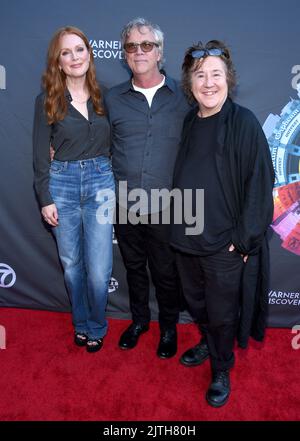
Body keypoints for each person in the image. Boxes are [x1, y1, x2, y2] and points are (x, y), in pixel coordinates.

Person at [171, 40, 274, 406]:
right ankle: (208, 341)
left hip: (224, 245)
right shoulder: (188, 121)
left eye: (216, 74)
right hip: (185, 239)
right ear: (190, 83)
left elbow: (261, 184)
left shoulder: (243, 122)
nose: (209, 83)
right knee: (197, 305)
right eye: (201, 75)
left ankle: (221, 367)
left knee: (221, 313)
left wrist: (243, 241)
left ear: (228, 79)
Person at [105, 18, 190, 358]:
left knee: (166, 272)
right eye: (131, 46)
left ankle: (168, 328)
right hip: (124, 202)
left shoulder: (184, 97)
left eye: (146, 45)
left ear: (159, 52)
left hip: (170, 204)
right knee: (134, 267)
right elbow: (95, 140)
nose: (139, 52)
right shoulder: (112, 99)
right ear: (124, 54)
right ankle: (140, 321)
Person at [33, 26, 115, 353]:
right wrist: (45, 197)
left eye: (79, 49)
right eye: (66, 52)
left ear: (89, 54)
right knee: (71, 266)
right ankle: (80, 322)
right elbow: (40, 153)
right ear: (58, 61)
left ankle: (97, 324)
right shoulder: (47, 100)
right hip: (62, 184)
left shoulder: (106, 95)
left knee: (99, 270)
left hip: (101, 182)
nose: (74, 57)